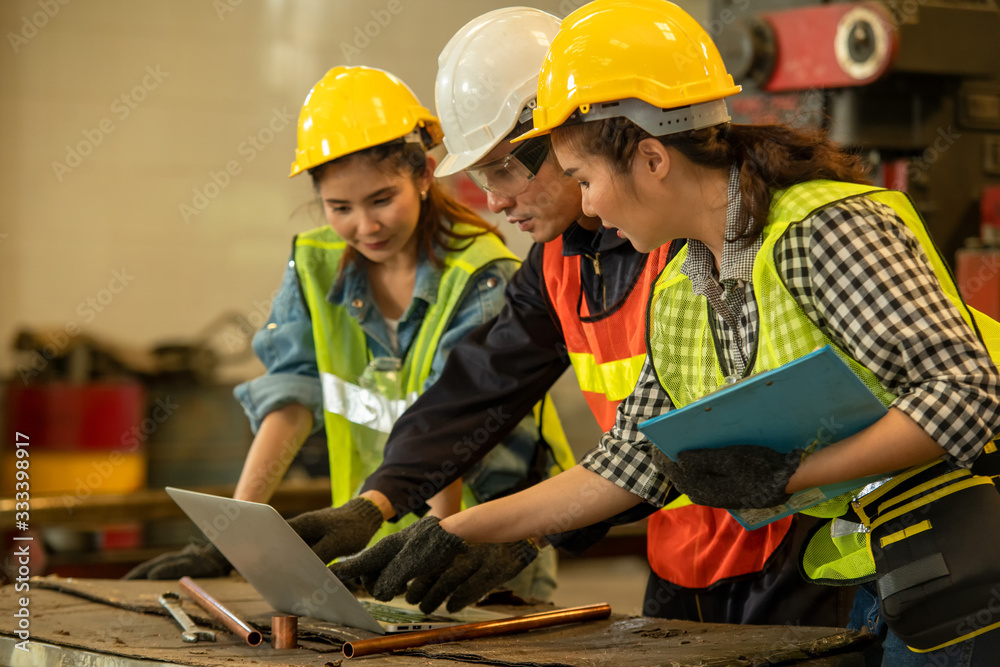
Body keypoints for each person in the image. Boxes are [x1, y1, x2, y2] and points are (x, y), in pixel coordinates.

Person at [331, 2, 1000, 664]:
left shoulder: (817, 229)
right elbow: (632, 458)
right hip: (884, 558)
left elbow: (968, 392)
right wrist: (457, 530)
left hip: (966, 546)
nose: (586, 204)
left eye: (586, 179)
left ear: (652, 158)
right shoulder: (685, 283)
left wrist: (791, 475)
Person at [125, 66, 570, 601]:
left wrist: (428, 550)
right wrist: (232, 537)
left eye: (382, 199)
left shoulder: (480, 273)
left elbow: (457, 423)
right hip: (367, 537)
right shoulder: (316, 263)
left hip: (480, 549)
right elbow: (290, 397)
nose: (365, 226)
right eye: (340, 208)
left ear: (425, 175)